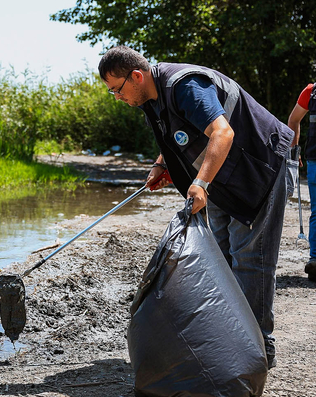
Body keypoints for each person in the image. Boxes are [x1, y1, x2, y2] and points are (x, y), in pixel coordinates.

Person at [98, 46, 293, 369]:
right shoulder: (149, 96)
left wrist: (199, 184)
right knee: (219, 257)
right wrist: (163, 164)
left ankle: (258, 350)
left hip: (260, 166)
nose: (117, 97)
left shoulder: (184, 85)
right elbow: (181, 130)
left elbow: (221, 131)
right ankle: (233, 338)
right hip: (221, 175)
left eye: (116, 89)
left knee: (249, 260)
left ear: (136, 76)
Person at [286, 84, 316, 282]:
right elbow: (294, 120)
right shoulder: (310, 91)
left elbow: (294, 120)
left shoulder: (311, 91)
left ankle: (315, 258)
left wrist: (294, 149)